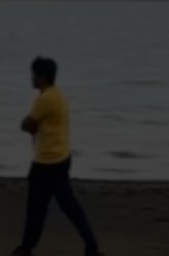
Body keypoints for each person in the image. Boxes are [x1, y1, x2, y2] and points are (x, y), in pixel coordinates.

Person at [10, 57, 103, 256]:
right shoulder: (56, 95)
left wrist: (32, 126)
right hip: (60, 158)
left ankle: (26, 248)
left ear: (41, 77)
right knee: (67, 206)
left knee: (37, 208)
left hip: (47, 162)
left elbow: (26, 124)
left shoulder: (46, 99)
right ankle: (91, 245)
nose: (31, 78)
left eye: (34, 74)